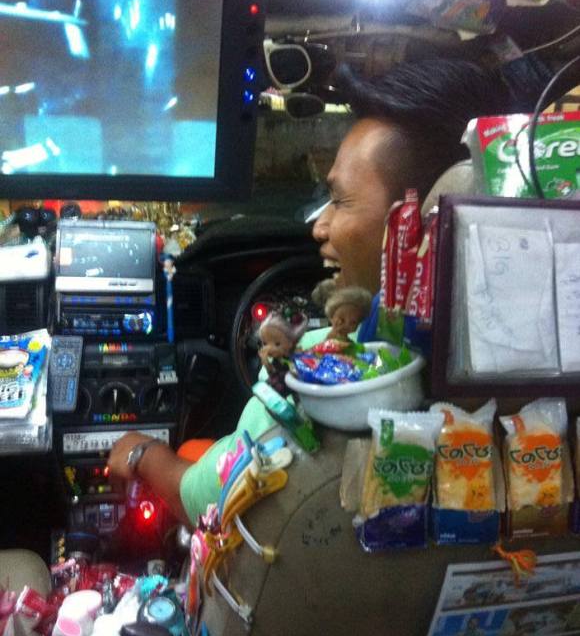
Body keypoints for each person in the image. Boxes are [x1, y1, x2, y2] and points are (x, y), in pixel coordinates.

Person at [107, 58, 514, 526]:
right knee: (201, 448)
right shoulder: (522, 391)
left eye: (339, 200)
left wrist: (142, 453)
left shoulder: (319, 378)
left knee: (186, 455)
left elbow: (199, 499)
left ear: (418, 225)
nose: (319, 226)